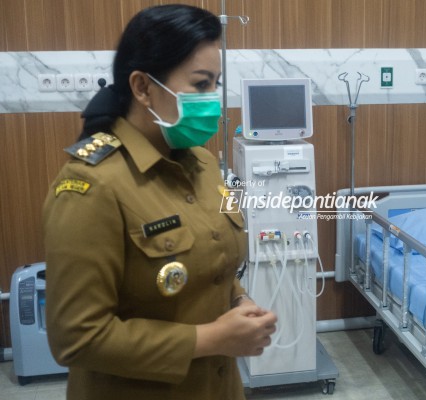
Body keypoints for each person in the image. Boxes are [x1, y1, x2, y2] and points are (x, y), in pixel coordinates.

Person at [42, 4, 277, 400]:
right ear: (143, 87)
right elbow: (76, 338)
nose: (213, 100)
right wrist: (212, 338)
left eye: (216, 84)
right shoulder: (92, 186)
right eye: (200, 84)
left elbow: (209, 260)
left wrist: (238, 298)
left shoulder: (203, 164)